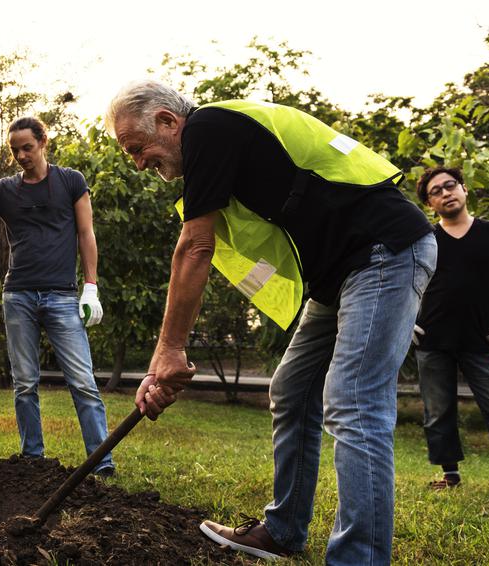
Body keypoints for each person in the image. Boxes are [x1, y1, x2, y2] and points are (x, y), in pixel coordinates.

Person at [107, 81, 435, 564]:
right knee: (293, 390)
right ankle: (282, 531)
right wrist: (166, 357)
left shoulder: (209, 128)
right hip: (339, 274)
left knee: (354, 403)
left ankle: (358, 558)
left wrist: (168, 350)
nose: (138, 164)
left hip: (383, 252)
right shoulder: (218, 146)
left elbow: (195, 247)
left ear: (166, 121)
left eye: (138, 149)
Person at [0, 116, 114, 476]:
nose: (21, 156)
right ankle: (32, 459)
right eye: (15, 150)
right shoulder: (4, 191)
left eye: (27, 147)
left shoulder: (71, 182)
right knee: (25, 382)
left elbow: (86, 234)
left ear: (44, 141)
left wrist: (91, 286)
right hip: (19, 296)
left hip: (61, 296)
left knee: (83, 383)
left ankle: (101, 463)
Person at [411, 165, 489, 498]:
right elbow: (399, 280)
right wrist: (405, 319)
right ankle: (449, 474)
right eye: (435, 191)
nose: (445, 193)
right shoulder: (425, 239)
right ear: (430, 204)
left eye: (449, 185)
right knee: (437, 411)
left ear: (464, 189)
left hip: (484, 340)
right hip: (432, 340)